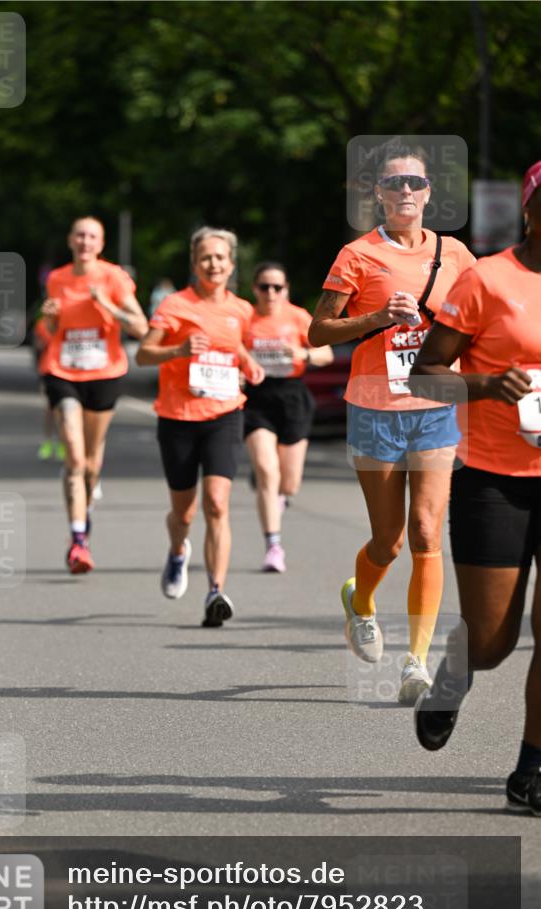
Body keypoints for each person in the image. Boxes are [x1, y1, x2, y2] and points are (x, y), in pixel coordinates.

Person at [308, 140, 475, 704]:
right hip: (375, 410)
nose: (406, 192)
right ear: (377, 193)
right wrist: (378, 317)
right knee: (390, 540)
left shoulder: (455, 255)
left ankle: (416, 664)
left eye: (416, 183)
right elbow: (318, 331)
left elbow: (480, 321)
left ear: (430, 193)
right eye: (395, 183)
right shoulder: (356, 255)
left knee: (429, 534)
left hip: (434, 407)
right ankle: (360, 600)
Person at [411, 160, 541, 816]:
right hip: (494, 477)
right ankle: (454, 673)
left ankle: (531, 769)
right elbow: (424, 373)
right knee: (492, 641)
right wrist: (488, 385)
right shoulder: (486, 279)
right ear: (528, 209)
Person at [136, 226, 264, 626]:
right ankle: (178, 552)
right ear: (195, 264)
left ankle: (215, 591)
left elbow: (235, 344)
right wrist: (177, 349)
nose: (214, 264)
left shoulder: (242, 309)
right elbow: (142, 355)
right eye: (206, 257)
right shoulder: (175, 305)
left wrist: (248, 363)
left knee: (217, 503)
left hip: (225, 414)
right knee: (185, 513)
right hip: (178, 417)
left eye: (221, 258)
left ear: (231, 264)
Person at [40, 216, 148, 573]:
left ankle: (86, 505)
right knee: (73, 454)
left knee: (90, 463)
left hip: (104, 373)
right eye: (80, 235)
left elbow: (141, 326)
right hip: (62, 370)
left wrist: (108, 305)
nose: (85, 241)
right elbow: (54, 329)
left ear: (100, 244)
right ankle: (78, 541)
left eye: (92, 237)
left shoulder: (113, 277)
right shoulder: (57, 278)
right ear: (71, 240)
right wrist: (51, 317)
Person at [244, 261, 334, 572]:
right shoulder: (246, 318)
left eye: (277, 287)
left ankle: (278, 495)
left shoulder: (297, 316)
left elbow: (327, 354)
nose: (271, 293)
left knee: (289, 483)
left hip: (293, 397)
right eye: (265, 287)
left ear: (286, 290)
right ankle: (273, 546)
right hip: (256, 398)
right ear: (255, 289)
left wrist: (304, 354)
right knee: (269, 473)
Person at [33, 315, 65, 461]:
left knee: (65, 411)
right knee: (50, 408)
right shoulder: (42, 323)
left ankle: (62, 444)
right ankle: (47, 442)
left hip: (69, 369)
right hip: (49, 368)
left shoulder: (74, 319)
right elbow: (38, 347)